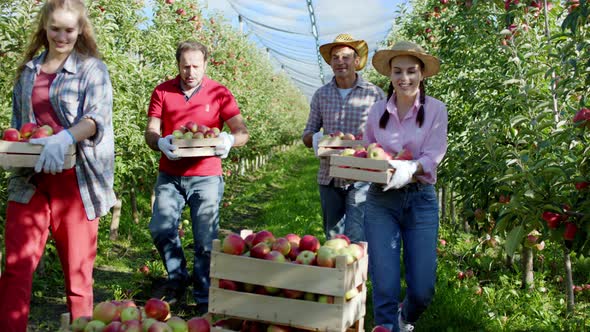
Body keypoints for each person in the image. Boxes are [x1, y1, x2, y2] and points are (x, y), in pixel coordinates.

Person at [0, 0, 116, 330]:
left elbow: (95, 119)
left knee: (78, 276)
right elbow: (19, 125)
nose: (61, 36)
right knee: (15, 269)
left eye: (68, 29)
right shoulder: (28, 73)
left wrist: (63, 139)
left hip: (75, 182)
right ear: (44, 28)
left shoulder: (92, 69)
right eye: (54, 29)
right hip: (31, 181)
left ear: (80, 31)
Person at [144, 40, 249, 313]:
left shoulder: (219, 93)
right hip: (170, 174)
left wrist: (228, 140)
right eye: (185, 66)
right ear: (177, 64)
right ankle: (178, 280)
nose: (190, 72)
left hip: (206, 177)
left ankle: (203, 297)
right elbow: (151, 131)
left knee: (205, 242)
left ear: (205, 64)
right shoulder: (162, 91)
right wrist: (160, 142)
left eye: (195, 66)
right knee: (161, 228)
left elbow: (242, 132)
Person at [363, 41, 448, 331]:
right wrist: (370, 167)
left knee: (423, 289)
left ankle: (406, 317)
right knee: (384, 284)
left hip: (420, 199)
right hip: (381, 200)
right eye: (398, 71)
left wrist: (411, 168)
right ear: (389, 74)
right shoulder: (376, 112)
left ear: (422, 73)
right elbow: (367, 150)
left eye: (411, 71)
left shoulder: (436, 110)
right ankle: (387, 325)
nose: (405, 78)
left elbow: (434, 153)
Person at [302, 33, 384, 243]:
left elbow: (386, 134)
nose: (340, 62)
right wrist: (319, 140)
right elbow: (308, 133)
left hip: (362, 176)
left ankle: (358, 275)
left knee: (357, 234)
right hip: (329, 175)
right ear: (330, 63)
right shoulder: (321, 95)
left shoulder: (374, 94)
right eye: (335, 57)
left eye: (345, 57)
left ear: (357, 61)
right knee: (333, 237)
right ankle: (338, 275)